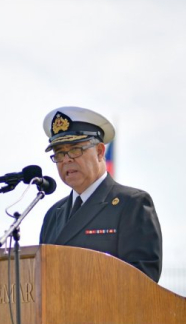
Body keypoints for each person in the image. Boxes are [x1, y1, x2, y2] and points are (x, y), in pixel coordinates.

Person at [38, 106, 162, 282]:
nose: (66, 159)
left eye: (75, 149)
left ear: (100, 152)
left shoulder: (131, 204)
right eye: (59, 153)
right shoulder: (53, 215)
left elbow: (143, 279)